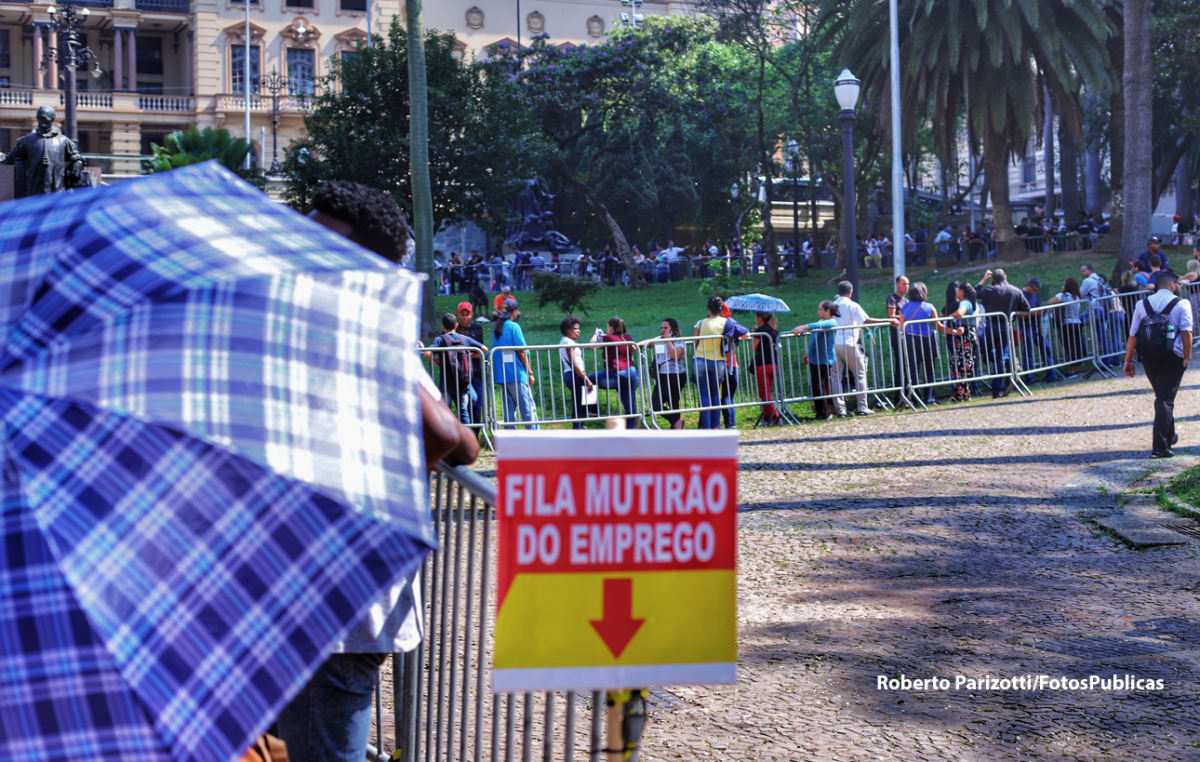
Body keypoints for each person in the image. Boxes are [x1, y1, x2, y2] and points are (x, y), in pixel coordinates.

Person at [285, 180, 479, 762]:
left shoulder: (357, 327)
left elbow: (450, 438)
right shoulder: (332, 323)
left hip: (335, 600)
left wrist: (373, 491)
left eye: (323, 243)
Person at [1124, 270, 1193, 457]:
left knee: (1162, 396)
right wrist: (1187, 357)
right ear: (1172, 285)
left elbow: (1133, 335)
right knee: (1165, 399)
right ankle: (1160, 447)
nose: (1179, 286)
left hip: (1148, 358)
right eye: (1177, 283)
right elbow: (1186, 332)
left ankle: (1170, 436)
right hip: (1173, 357)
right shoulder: (1182, 303)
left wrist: (1128, 360)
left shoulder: (1142, 304)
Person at [832, 280, 895, 416]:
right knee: (860, 374)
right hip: (849, 343)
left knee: (836, 377)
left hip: (834, 343)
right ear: (851, 292)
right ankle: (862, 407)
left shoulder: (831, 306)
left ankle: (841, 410)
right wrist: (888, 320)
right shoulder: (852, 305)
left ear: (838, 291)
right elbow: (866, 320)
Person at [898, 282, 962, 405]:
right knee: (929, 369)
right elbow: (939, 326)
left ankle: (916, 399)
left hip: (910, 339)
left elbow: (901, 326)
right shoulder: (930, 307)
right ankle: (929, 398)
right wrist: (954, 332)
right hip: (927, 340)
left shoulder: (904, 308)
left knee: (913, 370)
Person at [1, 105, 84, 197]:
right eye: (38, 118)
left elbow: (75, 155)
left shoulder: (63, 140)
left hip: (57, 189)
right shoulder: (27, 140)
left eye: (44, 119)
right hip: (34, 189)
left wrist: (78, 162)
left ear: (52, 119)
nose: (40, 122)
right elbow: (10, 157)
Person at [693, 296, 748, 429]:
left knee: (704, 395)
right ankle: (716, 426)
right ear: (721, 309)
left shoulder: (700, 323)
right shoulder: (726, 323)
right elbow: (746, 334)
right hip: (718, 362)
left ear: (708, 308)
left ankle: (706, 427)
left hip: (701, 359)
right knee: (716, 394)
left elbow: (695, 342)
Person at [975, 268, 1031, 398]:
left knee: (986, 350)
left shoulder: (992, 290)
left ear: (994, 279)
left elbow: (974, 294)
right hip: (1007, 326)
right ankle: (999, 381)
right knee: (1000, 357)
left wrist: (984, 280)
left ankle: (998, 363)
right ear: (1005, 276)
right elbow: (1026, 308)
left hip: (992, 326)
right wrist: (1013, 310)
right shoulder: (1016, 290)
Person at [492, 299, 539, 428]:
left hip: (502, 375)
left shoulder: (496, 327)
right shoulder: (514, 326)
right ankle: (535, 439)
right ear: (515, 311)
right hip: (517, 374)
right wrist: (530, 373)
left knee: (509, 411)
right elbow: (521, 352)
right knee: (528, 409)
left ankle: (510, 442)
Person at [791, 301, 841, 419]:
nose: (818, 311)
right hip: (815, 358)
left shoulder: (831, 322)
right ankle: (821, 413)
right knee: (816, 386)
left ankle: (824, 414)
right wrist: (807, 353)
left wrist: (800, 327)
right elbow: (814, 336)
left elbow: (816, 326)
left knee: (819, 386)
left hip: (824, 359)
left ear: (827, 311)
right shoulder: (821, 322)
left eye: (820, 309)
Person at [589, 317, 641, 424]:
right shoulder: (628, 337)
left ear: (611, 328)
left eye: (608, 327)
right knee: (630, 407)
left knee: (587, 381)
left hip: (615, 373)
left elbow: (592, 346)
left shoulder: (608, 338)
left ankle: (592, 410)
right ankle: (630, 431)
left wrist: (595, 335)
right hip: (632, 373)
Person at [644, 318, 688, 430]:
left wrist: (668, 340)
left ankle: (675, 429)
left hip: (675, 376)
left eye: (666, 328)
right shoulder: (659, 339)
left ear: (672, 329)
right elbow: (647, 343)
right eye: (662, 328)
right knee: (655, 404)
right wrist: (633, 345)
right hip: (662, 375)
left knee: (673, 403)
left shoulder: (679, 341)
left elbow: (675, 355)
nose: (663, 330)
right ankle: (676, 423)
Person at [1016, 277, 1061, 384]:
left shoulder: (1037, 295)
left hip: (1038, 326)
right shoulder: (1020, 295)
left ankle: (1051, 374)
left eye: (1037, 290)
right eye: (1035, 290)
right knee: (1028, 353)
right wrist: (1034, 313)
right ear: (1028, 286)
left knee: (1047, 349)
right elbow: (1018, 314)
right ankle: (1029, 378)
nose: (1036, 292)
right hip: (1027, 327)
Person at [558, 316, 595, 429]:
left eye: (578, 328)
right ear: (568, 330)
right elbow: (574, 364)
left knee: (580, 403)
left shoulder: (565, 341)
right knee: (578, 404)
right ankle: (577, 430)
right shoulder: (568, 343)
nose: (578, 331)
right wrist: (586, 379)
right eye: (575, 328)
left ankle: (579, 428)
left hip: (572, 375)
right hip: (574, 375)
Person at [944, 282, 978, 401]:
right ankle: (965, 393)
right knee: (965, 365)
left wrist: (949, 317)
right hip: (970, 335)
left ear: (962, 292)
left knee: (959, 366)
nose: (956, 292)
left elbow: (959, 313)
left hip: (964, 337)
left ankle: (960, 394)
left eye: (957, 290)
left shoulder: (965, 303)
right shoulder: (974, 303)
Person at [749, 312, 783, 425]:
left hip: (762, 365)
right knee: (766, 393)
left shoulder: (760, 331)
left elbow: (753, 348)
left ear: (759, 318)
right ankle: (768, 418)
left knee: (764, 393)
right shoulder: (774, 330)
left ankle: (775, 417)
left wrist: (755, 334)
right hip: (774, 365)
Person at [1046, 278, 1086, 375]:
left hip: (1067, 324)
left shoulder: (1062, 296)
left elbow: (1049, 302)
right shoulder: (1077, 297)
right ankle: (1075, 369)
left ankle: (1070, 371)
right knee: (1076, 346)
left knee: (1068, 347)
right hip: (1077, 323)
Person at [886, 275, 910, 404]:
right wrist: (906, 316)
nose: (906, 286)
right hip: (897, 336)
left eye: (908, 284)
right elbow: (891, 316)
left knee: (907, 365)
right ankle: (898, 396)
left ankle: (907, 393)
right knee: (900, 365)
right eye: (903, 284)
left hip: (906, 335)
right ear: (897, 284)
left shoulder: (906, 301)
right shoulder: (892, 298)